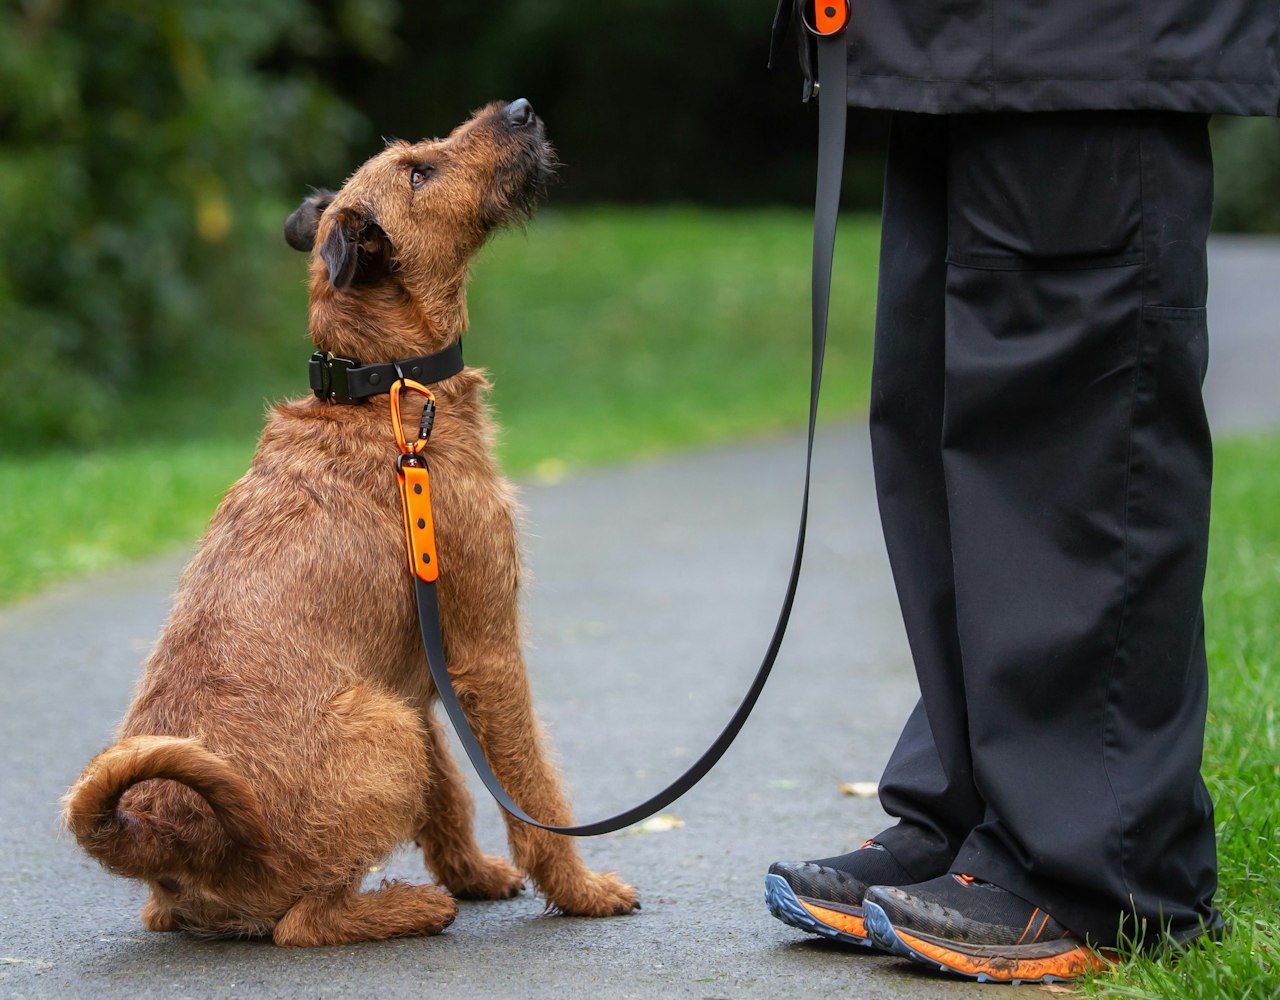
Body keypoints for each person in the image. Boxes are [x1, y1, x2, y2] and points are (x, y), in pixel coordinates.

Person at [764, 0, 1280, 984]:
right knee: (935, 417)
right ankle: (973, 809)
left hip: (1082, 38)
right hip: (940, 43)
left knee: (1066, 435)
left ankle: (1101, 860)